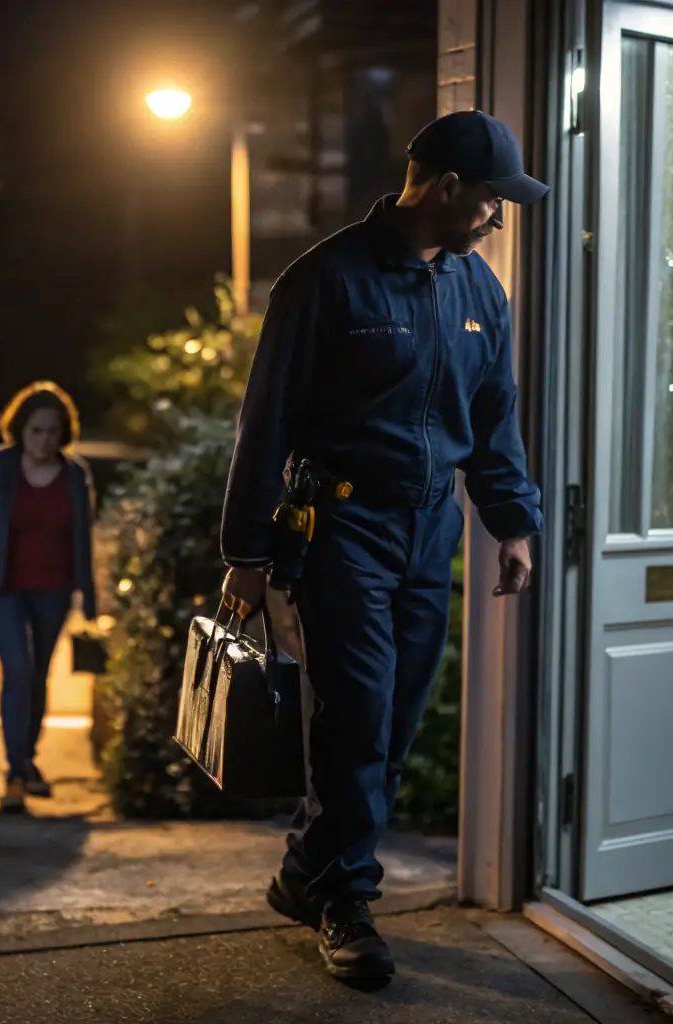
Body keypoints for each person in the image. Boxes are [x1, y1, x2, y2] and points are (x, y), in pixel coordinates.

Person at [220, 110, 548, 987]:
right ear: (446, 189)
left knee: (393, 720)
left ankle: (305, 871)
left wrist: (509, 521)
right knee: (357, 714)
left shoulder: (479, 292)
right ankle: (345, 901)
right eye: (491, 200)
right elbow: (267, 420)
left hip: (428, 527)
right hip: (342, 530)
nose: (496, 217)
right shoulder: (325, 281)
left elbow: (493, 418)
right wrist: (246, 555)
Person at [0, 382, 98, 812]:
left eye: (53, 431)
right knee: (16, 669)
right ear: (21, 430)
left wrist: (89, 598)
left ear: (63, 433)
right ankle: (15, 771)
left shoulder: (75, 476)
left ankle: (28, 759)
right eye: (36, 430)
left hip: (53, 590)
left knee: (38, 676)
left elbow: (83, 540)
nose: (44, 440)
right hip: (2, 588)